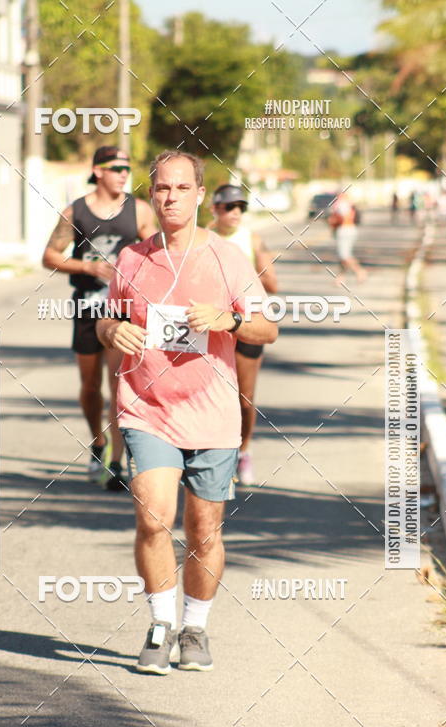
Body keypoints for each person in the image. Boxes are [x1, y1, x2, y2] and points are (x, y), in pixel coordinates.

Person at [97, 150, 278, 674]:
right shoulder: (131, 259)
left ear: (201, 195)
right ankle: (159, 625)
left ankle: (195, 627)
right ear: (150, 195)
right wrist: (114, 330)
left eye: (181, 188)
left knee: (204, 530)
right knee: (154, 516)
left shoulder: (227, 258)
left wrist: (228, 319)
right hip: (147, 408)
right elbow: (106, 322)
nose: (170, 197)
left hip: (213, 414)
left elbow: (267, 328)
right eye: (161, 189)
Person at [42, 146, 155, 489]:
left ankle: (116, 463)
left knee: (119, 384)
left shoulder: (139, 211)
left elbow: (156, 255)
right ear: (98, 171)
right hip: (86, 307)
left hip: (121, 311)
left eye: (127, 167)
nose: (124, 173)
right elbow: (49, 256)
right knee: (90, 387)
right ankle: (98, 442)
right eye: (116, 167)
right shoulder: (76, 211)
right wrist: (86, 266)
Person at [209, 184, 278, 485]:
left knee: (245, 398)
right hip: (211, 326)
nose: (235, 212)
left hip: (245, 324)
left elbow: (273, 285)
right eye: (228, 207)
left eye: (240, 207)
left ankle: (244, 451)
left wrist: (254, 274)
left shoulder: (251, 239)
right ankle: (211, 453)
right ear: (214, 209)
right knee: (207, 394)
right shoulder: (202, 238)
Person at [329, 191, 366, 282]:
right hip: (349, 230)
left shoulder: (342, 205)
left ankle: (360, 271)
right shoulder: (349, 204)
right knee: (343, 256)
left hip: (344, 230)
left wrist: (332, 220)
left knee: (345, 256)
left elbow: (344, 218)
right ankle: (340, 277)